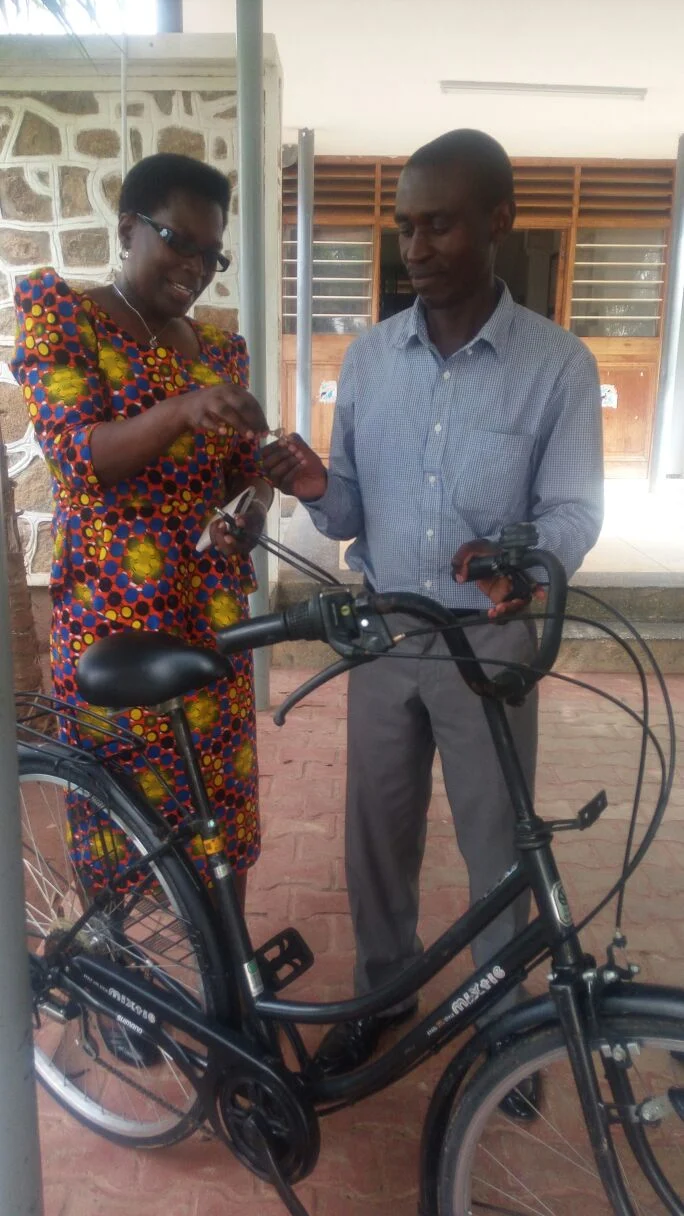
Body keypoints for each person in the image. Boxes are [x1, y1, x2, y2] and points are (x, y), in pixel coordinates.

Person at [262, 128, 603, 1118]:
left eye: (440, 224)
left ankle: (509, 1029)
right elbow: (347, 511)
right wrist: (315, 485)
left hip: (486, 643)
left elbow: (574, 511)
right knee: (377, 832)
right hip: (383, 633)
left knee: (499, 840)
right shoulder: (371, 359)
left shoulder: (557, 366)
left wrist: (523, 563)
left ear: (500, 220)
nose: (416, 247)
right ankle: (386, 991)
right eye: (406, 226)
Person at [12, 152, 271, 915]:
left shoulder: (219, 351)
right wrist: (183, 409)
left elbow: (238, 478)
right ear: (128, 228)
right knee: (119, 817)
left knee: (221, 816)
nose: (196, 268)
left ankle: (229, 970)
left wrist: (255, 503)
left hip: (209, 620)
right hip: (114, 625)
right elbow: (79, 455)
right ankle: (124, 974)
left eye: (212, 255)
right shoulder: (68, 319)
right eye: (179, 242)